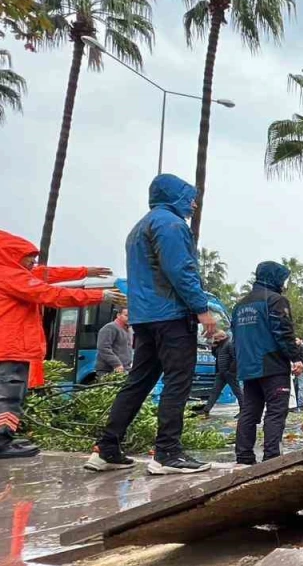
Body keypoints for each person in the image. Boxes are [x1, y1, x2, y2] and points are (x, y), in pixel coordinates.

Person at [87, 174, 217, 475]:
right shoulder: (172, 225)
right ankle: (168, 453)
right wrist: (202, 309)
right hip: (171, 315)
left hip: (144, 318)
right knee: (177, 382)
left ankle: (107, 449)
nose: (194, 204)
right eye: (190, 198)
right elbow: (181, 270)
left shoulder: (139, 228)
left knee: (139, 382)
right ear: (175, 196)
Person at [0, 230, 121, 460]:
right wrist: (99, 296)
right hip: (6, 348)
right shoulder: (8, 275)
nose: (33, 262)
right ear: (10, 254)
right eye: (28, 257)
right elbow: (49, 294)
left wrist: (84, 272)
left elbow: (44, 274)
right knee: (5, 395)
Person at [231, 262, 303, 465]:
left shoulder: (240, 305)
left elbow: (235, 338)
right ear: (275, 278)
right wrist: (296, 357)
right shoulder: (275, 301)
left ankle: (244, 456)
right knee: (275, 412)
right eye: (283, 279)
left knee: (249, 412)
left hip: (248, 367)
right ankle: (272, 458)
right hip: (272, 365)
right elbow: (283, 333)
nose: (284, 284)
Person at [198, 330, 240, 417]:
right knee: (215, 391)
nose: (215, 340)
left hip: (229, 373)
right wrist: (214, 347)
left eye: (216, 338)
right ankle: (206, 410)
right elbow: (215, 355)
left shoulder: (229, 344)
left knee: (237, 392)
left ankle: (243, 410)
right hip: (220, 373)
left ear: (222, 337)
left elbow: (235, 358)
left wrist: (231, 371)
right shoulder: (220, 346)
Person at [94, 307, 133, 375]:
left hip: (124, 369)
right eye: (126, 315)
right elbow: (103, 348)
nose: (129, 318)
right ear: (118, 315)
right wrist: (116, 364)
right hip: (108, 370)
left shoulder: (129, 329)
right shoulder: (110, 328)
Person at [292, 336, 303, 413]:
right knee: (301, 388)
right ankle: (300, 405)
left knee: (301, 388)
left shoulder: (302, 348)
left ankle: (300, 405)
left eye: (296, 340)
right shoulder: (301, 348)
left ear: (301, 339)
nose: (295, 342)